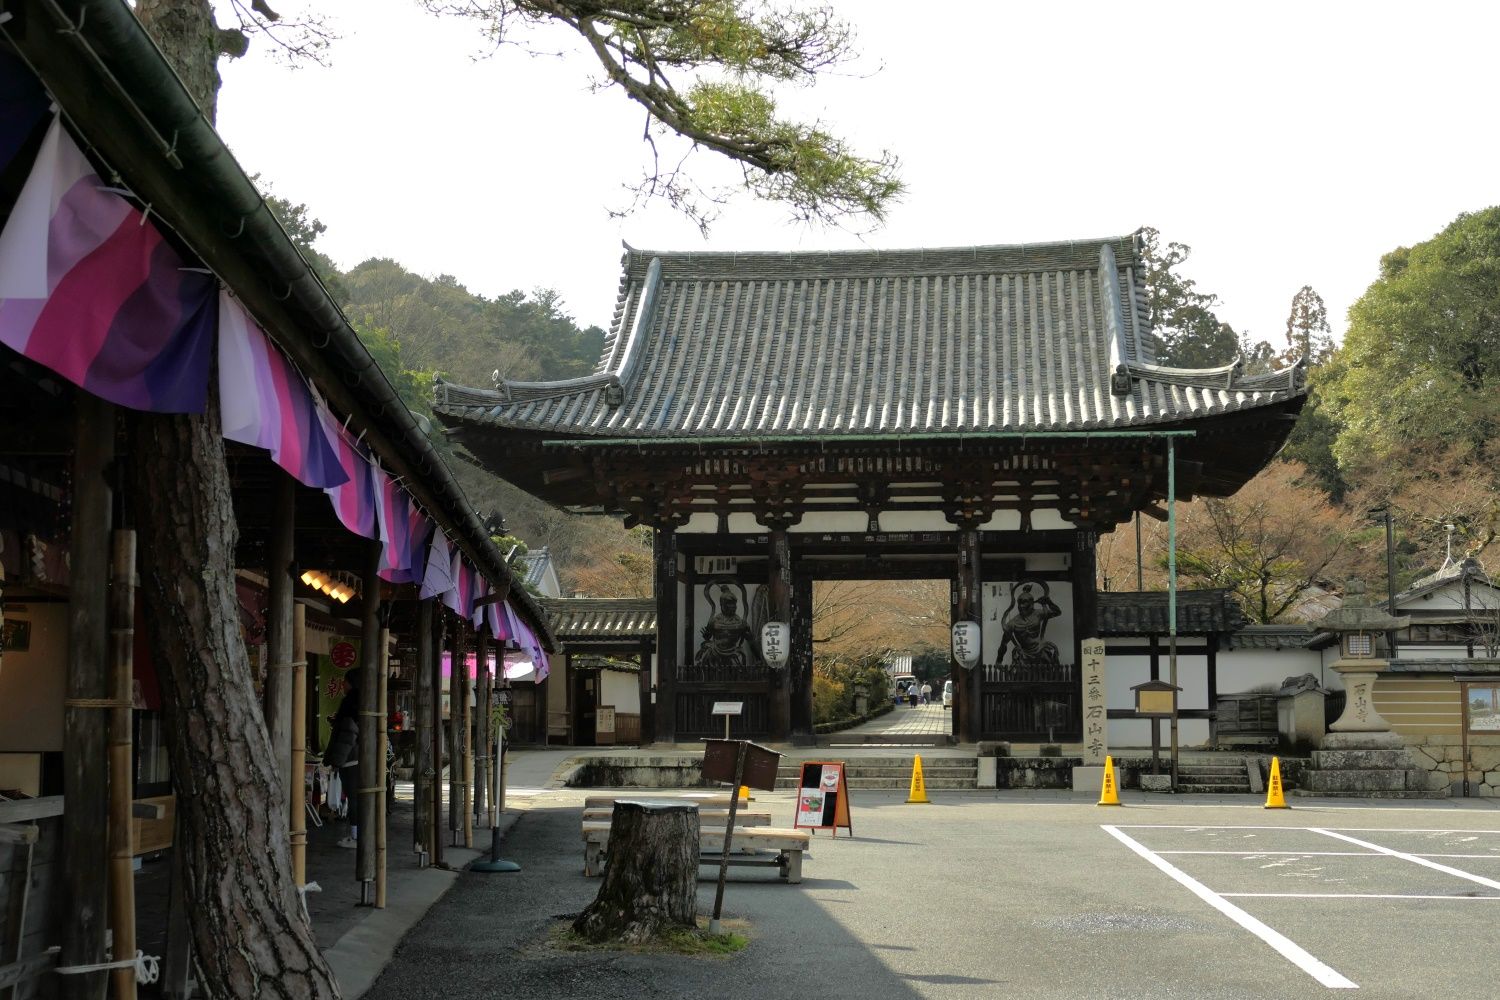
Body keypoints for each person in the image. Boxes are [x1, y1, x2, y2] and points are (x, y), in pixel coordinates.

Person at [323, 668, 364, 849]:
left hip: (350, 760)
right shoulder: (362, 702)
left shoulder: (349, 704)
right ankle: (357, 835)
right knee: (356, 798)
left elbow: (347, 737)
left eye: (345, 681)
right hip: (357, 758)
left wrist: (335, 762)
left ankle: (356, 837)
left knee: (354, 798)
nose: (343, 684)